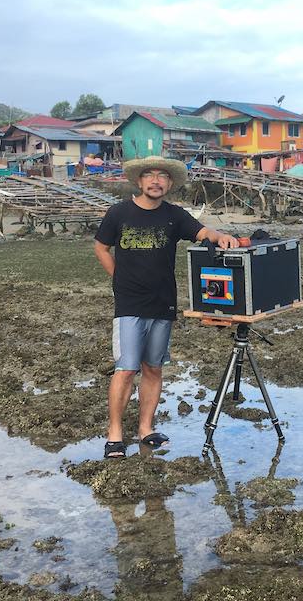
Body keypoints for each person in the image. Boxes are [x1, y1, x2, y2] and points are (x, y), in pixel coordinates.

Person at [94, 155, 238, 459]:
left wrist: (221, 236)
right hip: (130, 304)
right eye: (150, 175)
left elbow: (203, 233)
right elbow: (101, 247)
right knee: (126, 367)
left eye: (162, 176)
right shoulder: (119, 213)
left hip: (163, 302)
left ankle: (146, 429)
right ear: (139, 181)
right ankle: (115, 434)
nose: (156, 181)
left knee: (153, 367)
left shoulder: (175, 216)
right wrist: (118, 277)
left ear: (170, 183)